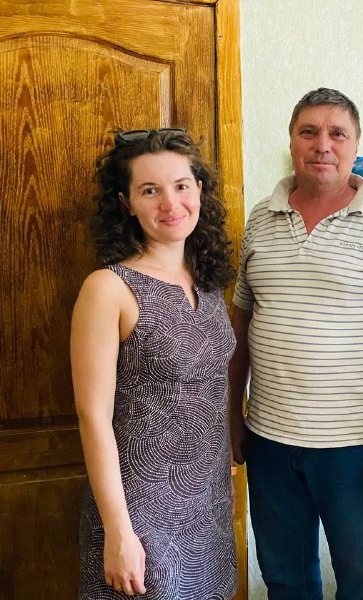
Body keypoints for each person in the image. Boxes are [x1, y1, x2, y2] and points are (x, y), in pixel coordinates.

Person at [228, 88, 363, 599]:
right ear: (291, 142)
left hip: (356, 450)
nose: (323, 145)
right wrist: (232, 413)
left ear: (355, 146)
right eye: (309, 132)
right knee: (286, 580)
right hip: (270, 441)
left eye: (337, 134)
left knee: (359, 583)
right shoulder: (260, 219)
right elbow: (240, 326)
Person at [71, 128, 237, 599]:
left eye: (181, 186)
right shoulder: (108, 288)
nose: (171, 203)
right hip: (138, 510)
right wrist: (118, 531)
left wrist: (224, 471)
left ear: (199, 191)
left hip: (207, 505)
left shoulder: (208, 283)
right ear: (126, 203)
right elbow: (92, 416)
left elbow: (213, 388)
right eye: (150, 190)